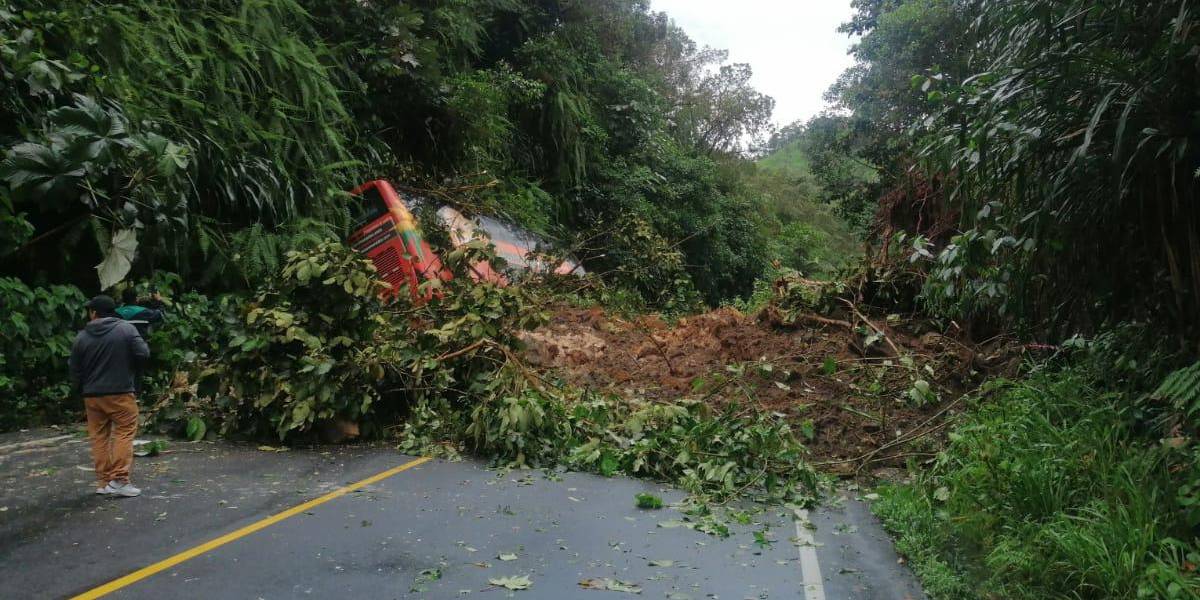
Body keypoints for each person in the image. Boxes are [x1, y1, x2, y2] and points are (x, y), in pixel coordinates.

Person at [69, 295, 149, 498]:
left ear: (94, 313)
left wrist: (81, 390)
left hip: (92, 395)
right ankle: (120, 480)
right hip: (120, 392)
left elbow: (74, 369)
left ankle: (104, 482)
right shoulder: (126, 329)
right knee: (124, 432)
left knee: (99, 437)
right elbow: (143, 354)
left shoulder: (82, 336)